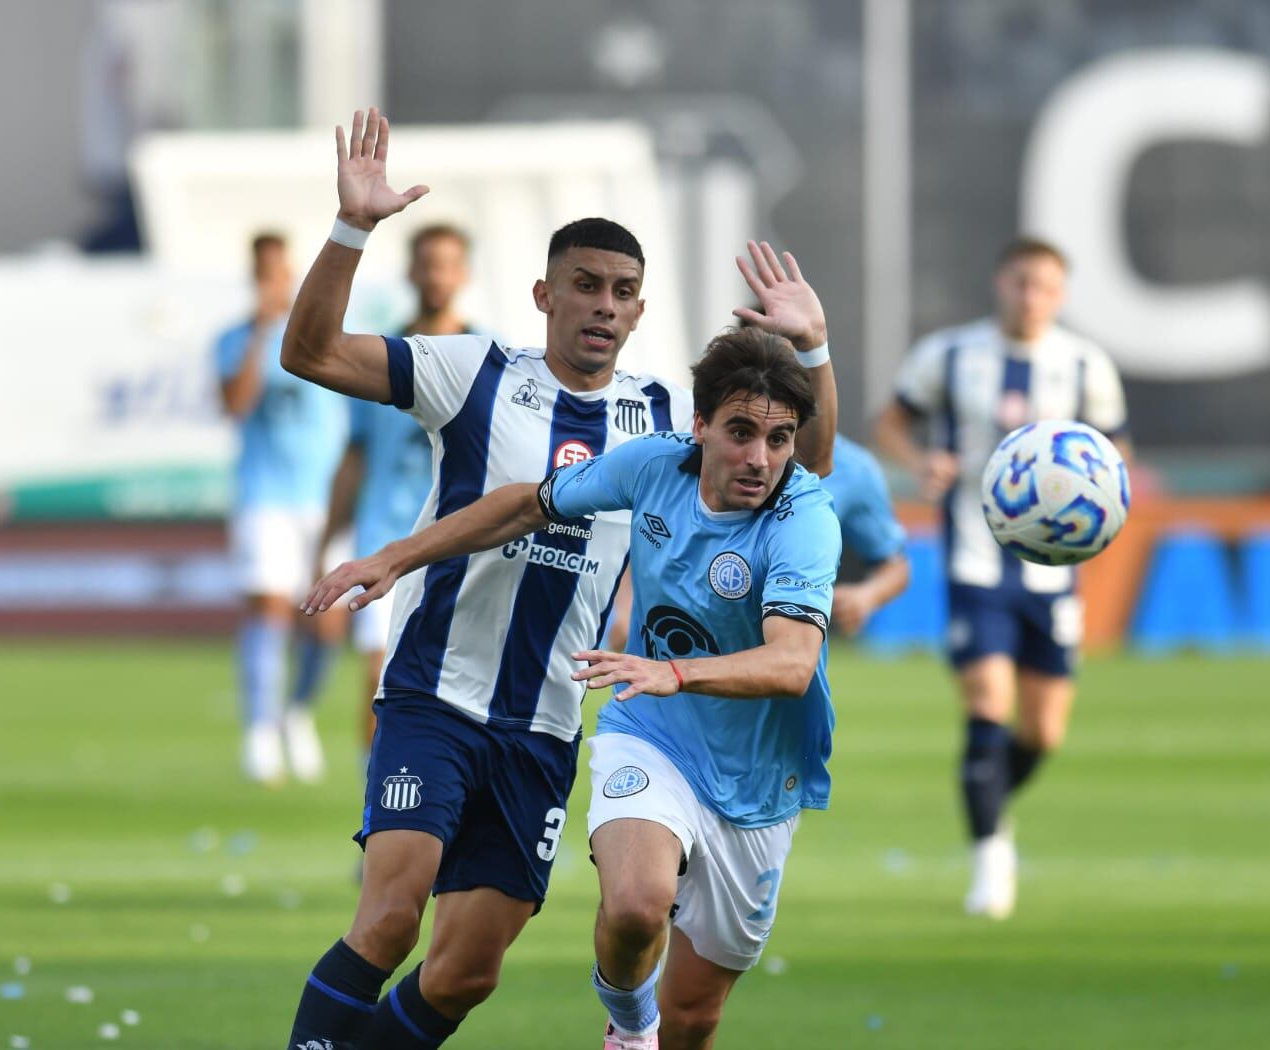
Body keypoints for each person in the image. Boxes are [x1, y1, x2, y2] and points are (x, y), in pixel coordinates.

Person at [281, 108, 836, 1050]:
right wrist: (352, 230)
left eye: (623, 290)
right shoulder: (475, 370)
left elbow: (800, 477)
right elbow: (312, 353)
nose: (604, 305)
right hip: (435, 691)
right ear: (545, 294)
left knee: (466, 972)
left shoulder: (665, 423)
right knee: (387, 920)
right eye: (585, 285)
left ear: (641, 309)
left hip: (543, 722)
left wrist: (812, 353)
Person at [874, 235, 1131, 919]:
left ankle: (991, 804)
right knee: (988, 705)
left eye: (1045, 286)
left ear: (1062, 294)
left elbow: (1115, 450)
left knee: (1044, 733)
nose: (1031, 297)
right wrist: (920, 463)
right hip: (975, 563)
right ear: (1000, 282)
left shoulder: (1084, 364)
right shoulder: (952, 355)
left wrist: (1096, 499)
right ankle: (991, 862)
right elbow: (892, 421)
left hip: (1052, 575)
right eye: (1021, 282)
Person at [317, 224, 479, 761]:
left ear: (464, 274)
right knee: (379, 677)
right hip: (384, 534)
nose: (436, 274)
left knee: (456, 689)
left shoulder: (491, 359)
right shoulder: (380, 357)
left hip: (461, 544)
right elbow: (356, 454)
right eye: (427, 262)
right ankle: (375, 811)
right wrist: (327, 538)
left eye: (447, 263)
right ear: (411, 270)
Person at [214, 232, 350, 786]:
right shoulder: (235, 338)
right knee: (268, 608)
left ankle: (297, 710)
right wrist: (262, 332)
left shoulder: (323, 334)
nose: (275, 282)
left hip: (325, 498)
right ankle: (260, 730)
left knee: (327, 626)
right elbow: (235, 403)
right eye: (265, 272)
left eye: (282, 272)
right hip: (264, 495)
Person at [819, 434, 910, 638]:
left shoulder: (853, 467)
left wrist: (865, 596)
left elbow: (896, 565)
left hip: (793, 648)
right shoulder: (741, 450)